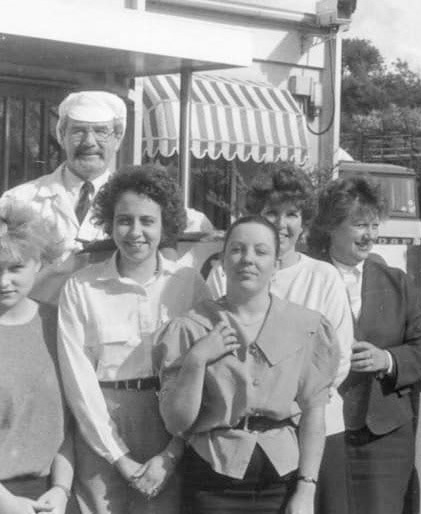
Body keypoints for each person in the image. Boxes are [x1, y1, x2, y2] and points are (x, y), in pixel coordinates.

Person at [155, 215, 338, 514]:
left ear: (276, 265)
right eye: (237, 250)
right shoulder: (191, 327)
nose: (247, 259)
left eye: (261, 252)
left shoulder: (307, 327)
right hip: (212, 481)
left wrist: (306, 488)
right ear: (222, 261)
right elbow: (177, 423)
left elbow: (314, 413)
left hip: (281, 481)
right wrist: (197, 360)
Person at [57, 165, 210, 514]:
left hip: (170, 422)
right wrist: (118, 457)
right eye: (124, 220)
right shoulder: (82, 287)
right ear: (109, 223)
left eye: (147, 221)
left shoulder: (188, 284)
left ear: (165, 225)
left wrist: (172, 454)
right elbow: (78, 381)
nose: (135, 232)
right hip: (100, 426)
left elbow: (205, 373)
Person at [205, 163, 354, 514]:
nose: (281, 224)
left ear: (305, 221)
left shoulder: (323, 277)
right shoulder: (223, 274)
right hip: (242, 438)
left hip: (316, 429)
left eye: (292, 214)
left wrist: (288, 408)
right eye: (271, 212)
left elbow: (339, 360)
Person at [307, 176, 421, 514]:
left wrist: (388, 359)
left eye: (373, 224)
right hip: (318, 430)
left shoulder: (397, 281)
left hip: (384, 437)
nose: (370, 234)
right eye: (358, 224)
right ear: (331, 226)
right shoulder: (306, 277)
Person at [0, 91, 127, 305]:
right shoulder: (18, 200)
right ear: (61, 135)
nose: (89, 142)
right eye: (78, 131)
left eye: (100, 132)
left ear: (117, 138)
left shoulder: (133, 205)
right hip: (36, 328)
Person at [0, 204, 74, 514]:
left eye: (15, 267)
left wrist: (61, 490)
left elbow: (69, 421)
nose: (4, 281)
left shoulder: (60, 325)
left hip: (49, 497)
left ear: (38, 262)